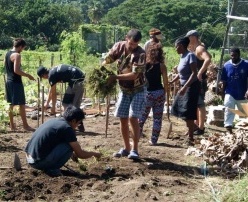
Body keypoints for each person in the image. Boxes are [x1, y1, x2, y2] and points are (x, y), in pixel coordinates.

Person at [102, 29, 146, 159]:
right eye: (131, 43)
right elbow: (108, 59)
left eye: (135, 44)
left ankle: (135, 149)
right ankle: (126, 147)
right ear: (127, 38)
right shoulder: (119, 46)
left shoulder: (140, 53)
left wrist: (115, 77)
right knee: (123, 117)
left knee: (133, 118)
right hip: (124, 89)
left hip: (137, 89)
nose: (133, 46)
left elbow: (134, 75)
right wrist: (102, 67)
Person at [24, 106, 102, 177]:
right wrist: (94, 154)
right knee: (69, 147)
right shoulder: (67, 128)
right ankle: (52, 169)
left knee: (69, 145)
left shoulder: (55, 121)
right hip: (38, 162)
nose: (78, 126)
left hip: (29, 158)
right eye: (79, 123)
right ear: (74, 120)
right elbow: (80, 154)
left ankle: (48, 165)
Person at [138, 30, 168, 145]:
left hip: (147, 94)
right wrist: (166, 94)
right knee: (157, 119)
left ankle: (137, 137)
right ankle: (153, 140)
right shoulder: (162, 66)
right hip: (159, 92)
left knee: (142, 118)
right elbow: (165, 83)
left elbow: (141, 80)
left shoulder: (144, 66)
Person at [37, 64, 86, 132]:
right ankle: (78, 125)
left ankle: (71, 126)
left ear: (43, 75)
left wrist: (53, 107)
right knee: (72, 105)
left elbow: (54, 93)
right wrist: (47, 103)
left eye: (43, 77)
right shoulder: (53, 71)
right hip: (79, 78)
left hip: (76, 81)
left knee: (69, 105)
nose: (45, 78)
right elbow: (51, 90)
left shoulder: (51, 75)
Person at [169, 36, 199, 144]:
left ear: (181, 46)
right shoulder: (182, 56)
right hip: (184, 86)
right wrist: (172, 81)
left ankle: (191, 137)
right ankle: (194, 126)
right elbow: (181, 73)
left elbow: (194, 73)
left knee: (188, 111)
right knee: (176, 108)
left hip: (191, 86)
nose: (175, 49)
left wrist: (185, 87)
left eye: (176, 47)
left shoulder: (190, 56)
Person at [220, 47, 248, 134]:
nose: (233, 57)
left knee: (242, 113)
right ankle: (228, 127)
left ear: (239, 55)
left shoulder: (246, 64)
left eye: (235, 56)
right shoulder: (226, 65)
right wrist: (223, 92)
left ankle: (241, 130)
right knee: (229, 108)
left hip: (242, 92)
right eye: (231, 56)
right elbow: (224, 81)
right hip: (230, 92)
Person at [4, 38, 35, 131]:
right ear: (20, 46)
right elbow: (16, 70)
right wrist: (27, 75)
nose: (22, 50)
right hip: (16, 82)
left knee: (10, 104)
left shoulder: (7, 54)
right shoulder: (17, 55)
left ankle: (12, 126)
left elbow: (5, 64)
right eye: (23, 48)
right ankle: (25, 126)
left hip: (8, 81)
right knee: (21, 104)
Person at [186, 30, 212, 135]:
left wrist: (200, 73)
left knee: (200, 104)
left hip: (200, 81)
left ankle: (201, 128)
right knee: (196, 104)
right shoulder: (194, 49)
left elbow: (208, 59)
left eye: (189, 37)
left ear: (193, 37)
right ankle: (196, 125)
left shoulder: (199, 48)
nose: (187, 40)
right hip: (194, 81)